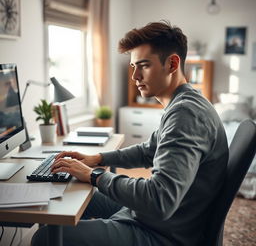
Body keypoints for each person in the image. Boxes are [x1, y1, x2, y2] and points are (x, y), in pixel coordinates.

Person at [31, 21, 228, 246]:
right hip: (154, 220)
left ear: (172, 63)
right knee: (73, 194)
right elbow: (149, 150)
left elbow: (159, 200)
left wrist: (94, 175)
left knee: (44, 238)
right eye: (133, 66)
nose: (135, 77)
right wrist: (99, 159)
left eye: (143, 65)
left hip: (162, 234)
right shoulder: (184, 103)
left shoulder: (186, 114)